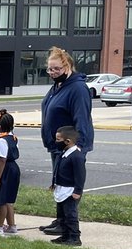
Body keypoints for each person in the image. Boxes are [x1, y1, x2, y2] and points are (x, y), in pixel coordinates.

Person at [38, 47, 94, 237]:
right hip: (57, 145)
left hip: (70, 146)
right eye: (50, 70)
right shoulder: (57, 86)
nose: (53, 73)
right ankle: (60, 219)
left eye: (57, 69)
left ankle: (68, 225)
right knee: (59, 183)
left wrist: (78, 146)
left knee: (69, 185)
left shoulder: (77, 88)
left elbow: (81, 119)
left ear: (68, 66)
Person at [49, 125, 85, 247]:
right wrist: (54, 183)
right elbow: (58, 169)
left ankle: (75, 237)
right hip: (61, 188)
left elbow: (80, 175)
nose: (56, 142)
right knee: (62, 215)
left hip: (70, 191)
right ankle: (65, 235)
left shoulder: (76, 156)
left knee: (71, 215)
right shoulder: (64, 153)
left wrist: (78, 190)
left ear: (67, 141)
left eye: (58, 140)